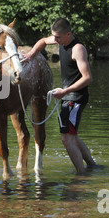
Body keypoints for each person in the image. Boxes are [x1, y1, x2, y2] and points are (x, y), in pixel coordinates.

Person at [23, 18, 97, 174]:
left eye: (57, 37)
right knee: (73, 136)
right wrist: (31, 54)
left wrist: (65, 91)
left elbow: (88, 78)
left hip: (75, 98)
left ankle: (80, 175)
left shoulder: (77, 49)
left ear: (68, 34)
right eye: (54, 37)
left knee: (66, 138)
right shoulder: (60, 40)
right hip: (69, 97)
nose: (54, 41)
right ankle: (92, 166)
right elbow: (43, 41)